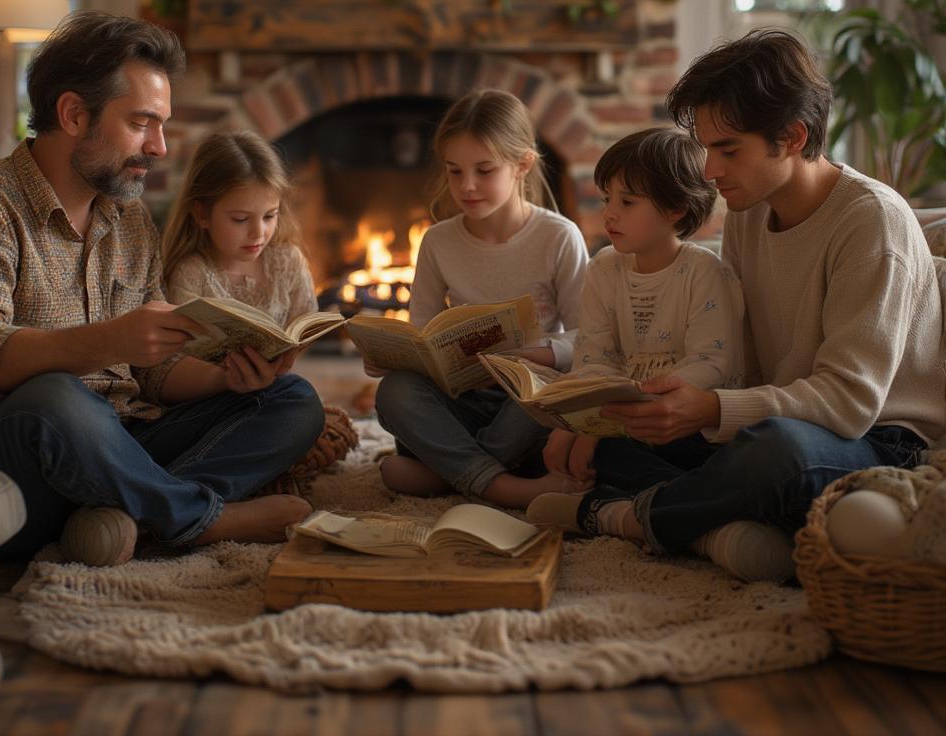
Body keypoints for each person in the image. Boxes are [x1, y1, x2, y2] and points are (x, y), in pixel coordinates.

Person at [528, 29, 946, 582]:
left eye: (728, 149)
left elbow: (849, 403)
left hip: (880, 441)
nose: (707, 170)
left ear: (793, 137)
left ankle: (623, 516)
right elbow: (738, 355)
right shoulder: (749, 209)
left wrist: (712, 410)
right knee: (612, 441)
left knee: (777, 453)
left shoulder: (871, 222)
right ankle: (713, 528)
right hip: (768, 420)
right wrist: (620, 413)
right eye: (706, 146)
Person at [0, 11, 324, 568]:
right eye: (141, 123)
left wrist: (225, 376)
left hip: (123, 438)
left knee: (293, 401)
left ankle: (122, 515)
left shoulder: (129, 223)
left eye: (161, 124)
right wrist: (108, 341)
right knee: (58, 398)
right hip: (10, 447)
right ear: (72, 114)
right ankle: (199, 519)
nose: (159, 147)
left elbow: (152, 376)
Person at [374, 88, 590, 508]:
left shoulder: (558, 236)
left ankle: (447, 471)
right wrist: (396, 355)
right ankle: (504, 484)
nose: (466, 186)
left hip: (527, 399)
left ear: (522, 164)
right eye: (454, 172)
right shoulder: (438, 241)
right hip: (462, 399)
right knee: (395, 392)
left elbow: (590, 338)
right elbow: (422, 331)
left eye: (484, 170)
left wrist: (533, 356)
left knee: (549, 396)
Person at [538, 126, 744, 488]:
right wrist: (585, 424)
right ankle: (653, 500)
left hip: (686, 424)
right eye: (606, 199)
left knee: (705, 460)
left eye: (627, 202)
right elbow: (593, 358)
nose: (610, 214)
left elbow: (711, 363)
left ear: (675, 209)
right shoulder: (602, 268)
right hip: (622, 418)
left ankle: (634, 505)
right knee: (554, 434)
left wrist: (610, 424)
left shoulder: (703, 271)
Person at [162, 130, 317, 327]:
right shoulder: (192, 275)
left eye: (269, 216)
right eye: (240, 219)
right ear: (202, 214)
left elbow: (306, 326)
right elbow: (179, 350)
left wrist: (288, 356)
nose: (258, 233)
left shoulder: (287, 263)